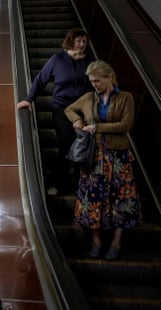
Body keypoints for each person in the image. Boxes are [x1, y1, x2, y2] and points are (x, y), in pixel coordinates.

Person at [64, 60, 142, 260]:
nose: (94, 85)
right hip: (95, 156)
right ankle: (96, 241)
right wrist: (77, 120)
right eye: (91, 81)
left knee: (121, 199)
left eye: (97, 81)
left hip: (119, 157)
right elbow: (69, 109)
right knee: (93, 199)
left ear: (109, 77)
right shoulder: (89, 98)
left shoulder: (126, 98)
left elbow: (125, 125)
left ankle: (116, 242)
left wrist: (97, 128)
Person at [16, 28, 95, 196]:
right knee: (66, 145)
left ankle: (78, 183)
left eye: (84, 41)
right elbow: (41, 79)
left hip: (84, 111)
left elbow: (100, 80)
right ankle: (59, 183)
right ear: (71, 41)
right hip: (62, 109)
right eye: (79, 41)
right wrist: (29, 99)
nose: (82, 44)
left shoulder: (90, 61)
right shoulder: (57, 59)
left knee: (83, 146)